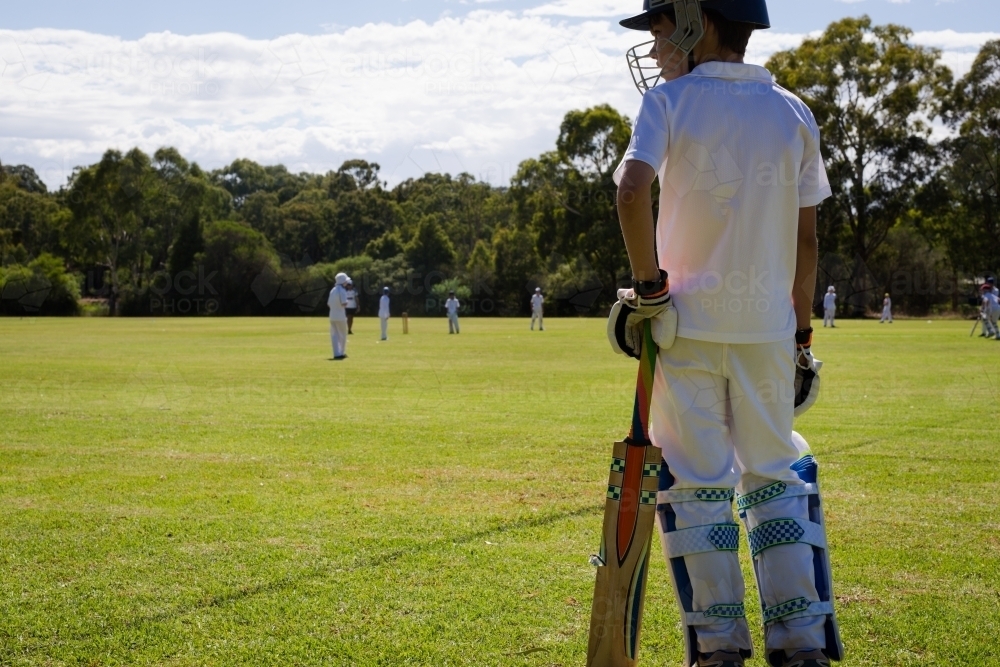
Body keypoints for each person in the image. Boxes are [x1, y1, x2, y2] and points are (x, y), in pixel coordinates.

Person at [611, 1, 843, 666]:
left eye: (660, 27)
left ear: (696, 22)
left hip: (686, 329)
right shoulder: (794, 112)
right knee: (774, 476)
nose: (654, 45)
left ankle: (718, 648)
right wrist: (800, 334)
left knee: (696, 484)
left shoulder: (670, 104)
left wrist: (649, 285)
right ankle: (800, 643)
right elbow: (806, 238)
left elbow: (631, 193)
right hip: (768, 330)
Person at [328, 273, 349, 360]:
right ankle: (342, 352)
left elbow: (328, 304)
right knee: (342, 335)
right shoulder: (342, 290)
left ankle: (336, 353)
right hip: (340, 316)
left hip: (332, 315)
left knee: (334, 335)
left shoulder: (333, 290)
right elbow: (343, 303)